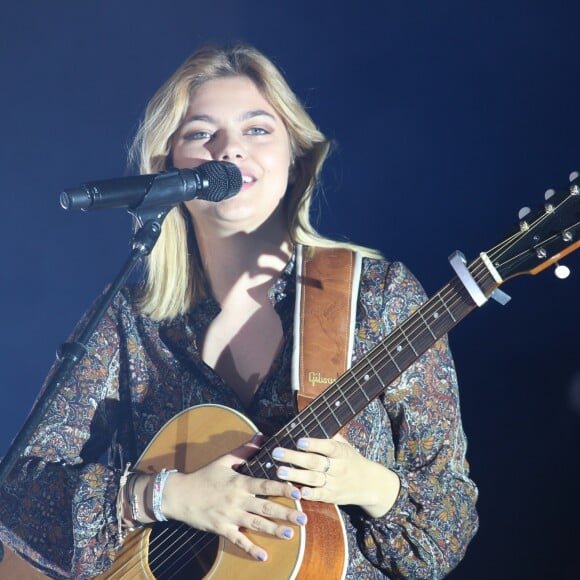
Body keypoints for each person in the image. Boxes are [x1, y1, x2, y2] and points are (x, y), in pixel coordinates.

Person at [0, 44, 478, 578]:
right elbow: (17, 491)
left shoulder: (378, 297)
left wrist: (365, 483)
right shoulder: (131, 323)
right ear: (168, 169)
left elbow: (445, 527)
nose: (229, 150)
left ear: (295, 156)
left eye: (257, 130)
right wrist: (166, 495)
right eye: (201, 133)